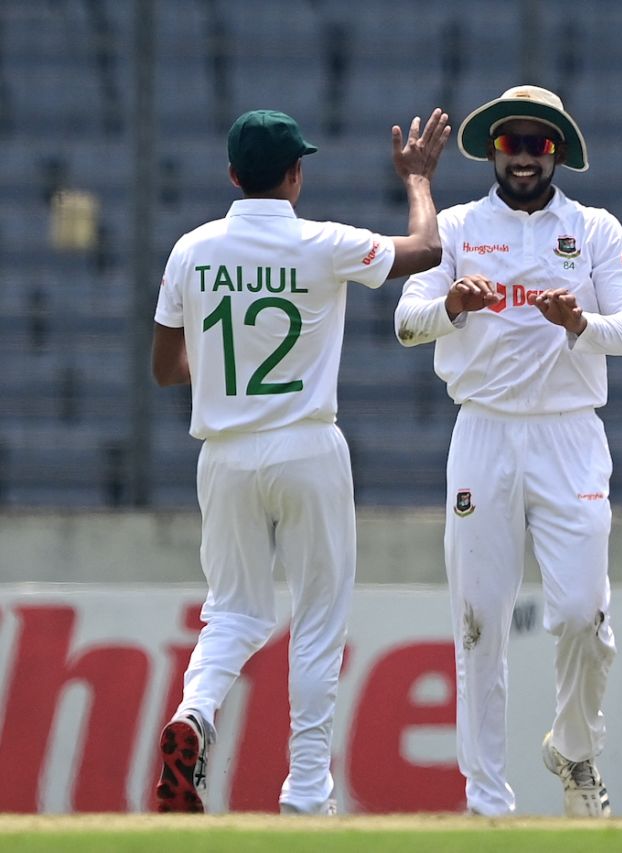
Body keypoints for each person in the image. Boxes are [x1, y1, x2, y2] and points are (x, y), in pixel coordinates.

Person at [151, 107, 451, 814]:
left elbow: (166, 368)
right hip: (307, 444)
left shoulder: (190, 250)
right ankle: (307, 792)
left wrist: (232, 372)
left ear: (231, 175)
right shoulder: (324, 242)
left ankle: (194, 712)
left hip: (223, 454)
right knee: (317, 618)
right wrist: (418, 180)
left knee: (232, 611)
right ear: (295, 175)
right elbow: (427, 250)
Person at [393, 85, 622, 818]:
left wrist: (581, 323)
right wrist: (453, 306)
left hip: (570, 435)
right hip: (483, 431)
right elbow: (406, 322)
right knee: (478, 620)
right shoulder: (457, 226)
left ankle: (574, 746)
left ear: (557, 151)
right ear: (493, 150)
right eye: (512, 143)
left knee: (579, 613)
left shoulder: (595, 229)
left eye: (539, 144)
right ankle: (486, 802)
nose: (525, 157)